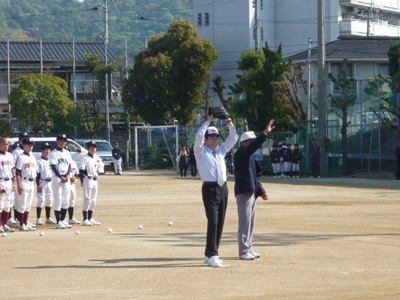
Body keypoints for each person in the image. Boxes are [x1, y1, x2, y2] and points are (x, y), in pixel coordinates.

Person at [194, 113, 238, 268]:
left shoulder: (220, 151)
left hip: (223, 187)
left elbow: (233, 139)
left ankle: (209, 253)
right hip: (210, 188)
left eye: (216, 137)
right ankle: (213, 254)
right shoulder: (200, 152)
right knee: (212, 221)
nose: (214, 140)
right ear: (206, 139)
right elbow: (198, 136)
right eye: (211, 138)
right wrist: (209, 121)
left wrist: (229, 121)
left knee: (220, 222)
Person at [234, 119, 274, 260]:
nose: (252, 144)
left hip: (251, 191)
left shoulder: (249, 156)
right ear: (243, 143)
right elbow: (253, 147)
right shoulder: (241, 153)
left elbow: (255, 176)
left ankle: (249, 248)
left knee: (250, 222)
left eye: (252, 141)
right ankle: (243, 251)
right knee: (245, 222)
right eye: (249, 142)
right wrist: (264, 133)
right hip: (243, 191)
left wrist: (261, 191)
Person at [49, 134, 73, 229]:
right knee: (58, 199)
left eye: (64, 141)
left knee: (66, 200)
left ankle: (63, 220)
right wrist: (61, 176)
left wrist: (67, 175)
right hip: (57, 178)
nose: (63, 142)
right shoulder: (53, 153)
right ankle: (58, 221)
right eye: (61, 140)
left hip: (66, 178)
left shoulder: (67, 152)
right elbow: (53, 166)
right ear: (57, 141)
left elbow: (69, 165)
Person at [15, 137, 37, 231]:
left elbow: (35, 171)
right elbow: (18, 172)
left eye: (31, 144)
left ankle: (25, 222)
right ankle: (21, 224)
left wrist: (35, 183)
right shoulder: (21, 157)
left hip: (31, 181)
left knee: (28, 204)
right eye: (28, 144)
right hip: (24, 181)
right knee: (22, 204)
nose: (30, 146)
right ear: (23, 145)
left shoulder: (33, 157)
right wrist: (19, 184)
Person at [79, 140, 101, 226]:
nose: (93, 149)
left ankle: (90, 218)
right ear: (88, 148)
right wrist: (81, 180)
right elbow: (81, 170)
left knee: (93, 200)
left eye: (94, 147)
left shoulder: (95, 157)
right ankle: (85, 219)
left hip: (95, 180)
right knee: (87, 199)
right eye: (91, 147)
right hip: (88, 179)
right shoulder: (84, 158)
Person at [9, 132, 29, 226]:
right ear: (19, 140)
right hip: (18, 178)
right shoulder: (16, 152)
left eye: (26, 138)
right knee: (16, 199)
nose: (24, 139)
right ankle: (17, 219)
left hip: (26, 178)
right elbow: (13, 167)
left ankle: (23, 220)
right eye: (23, 138)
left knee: (24, 200)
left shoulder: (28, 151)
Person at [35, 143, 56, 225]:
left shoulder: (51, 161)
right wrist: (38, 185)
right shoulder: (39, 161)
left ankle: (48, 218)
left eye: (48, 149)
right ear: (42, 151)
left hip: (50, 182)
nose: (47, 151)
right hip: (42, 182)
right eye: (45, 149)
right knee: (41, 200)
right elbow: (37, 174)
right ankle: (38, 218)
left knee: (49, 200)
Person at [0, 137, 15, 233]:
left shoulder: (10, 155)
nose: (6, 146)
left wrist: (13, 183)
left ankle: (5, 224)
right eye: (4, 144)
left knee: (7, 204)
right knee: (0, 205)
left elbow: (12, 170)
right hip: (1, 181)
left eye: (7, 144)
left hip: (9, 181)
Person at [68, 160, 80, 225]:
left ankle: (71, 218)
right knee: (64, 201)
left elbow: (76, 172)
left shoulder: (73, 162)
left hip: (72, 184)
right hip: (65, 184)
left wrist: (75, 177)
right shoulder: (63, 162)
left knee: (72, 200)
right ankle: (61, 219)